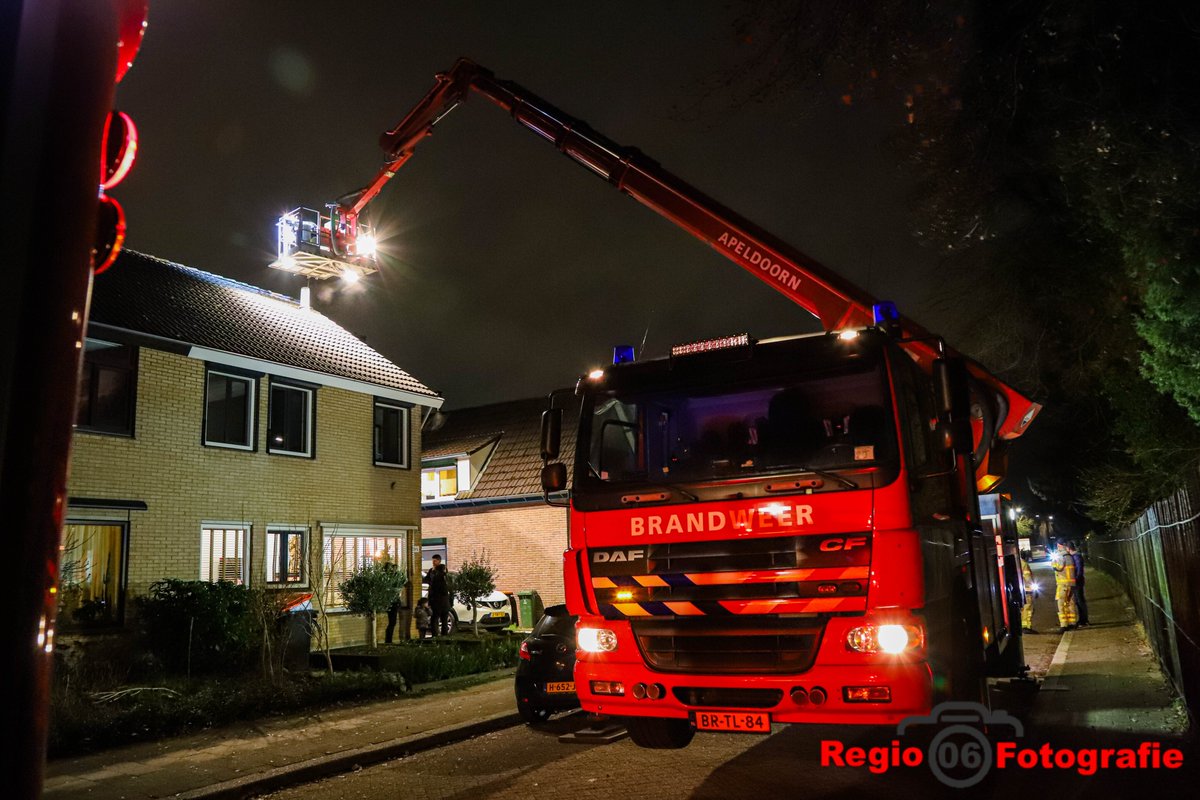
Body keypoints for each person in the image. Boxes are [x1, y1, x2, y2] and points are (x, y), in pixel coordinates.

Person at [1052, 541, 1078, 633]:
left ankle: (1064, 625)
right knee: (1070, 603)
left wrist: (1053, 562)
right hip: (1072, 584)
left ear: (1059, 546)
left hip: (1063, 584)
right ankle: (1072, 623)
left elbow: (1058, 567)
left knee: (1061, 604)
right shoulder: (1070, 556)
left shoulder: (1060, 556)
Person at [424, 554, 452, 637]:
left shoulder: (441, 571)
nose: (433, 562)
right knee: (436, 619)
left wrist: (433, 572)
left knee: (440, 619)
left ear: (439, 561)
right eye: (432, 561)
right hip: (438, 600)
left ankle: (440, 636)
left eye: (435, 561)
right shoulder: (432, 571)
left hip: (439, 600)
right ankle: (438, 636)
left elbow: (436, 581)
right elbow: (426, 580)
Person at [1067, 540, 1089, 626]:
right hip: (1077, 581)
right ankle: (1082, 619)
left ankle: (1084, 620)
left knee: (1080, 601)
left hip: (1077, 582)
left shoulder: (1076, 557)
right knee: (1078, 601)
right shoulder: (1075, 556)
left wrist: (1076, 579)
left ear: (1068, 548)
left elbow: (1079, 570)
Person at [383, 562, 404, 644]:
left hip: (393, 602)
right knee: (392, 622)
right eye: (392, 568)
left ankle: (389, 640)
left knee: (392, 622)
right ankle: (388, 640)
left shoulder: (391, 577)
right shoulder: (388, 578)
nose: (393, 570)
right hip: (392, 602)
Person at [1020, 549, 1037, 634]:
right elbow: (1028, 578)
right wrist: (1034, 588)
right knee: (1028, 609)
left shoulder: (1018, 562)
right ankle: (1026, 627)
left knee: (1023, 609)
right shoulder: (1025, 564)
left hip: (1021, 590)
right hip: (1027, 590)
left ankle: (1024, 626)